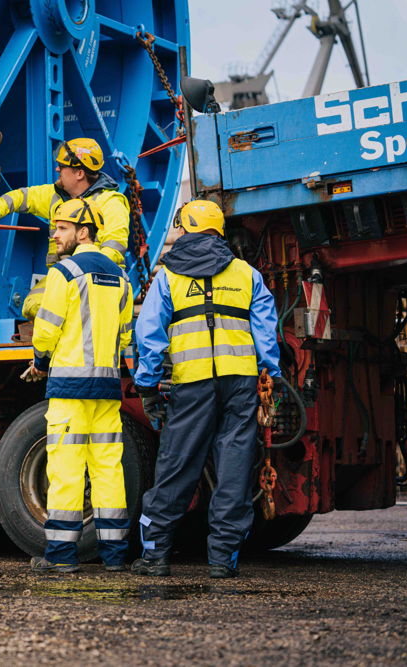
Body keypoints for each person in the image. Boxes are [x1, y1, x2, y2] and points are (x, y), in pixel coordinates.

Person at [131, 200, 280, 578]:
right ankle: (222, 560)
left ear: (187, 228)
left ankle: (156, 555)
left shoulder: (167, 277)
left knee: (177, 467)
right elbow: (265, 332)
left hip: (191, 386)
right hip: (240, 384)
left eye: (179, 227)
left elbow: (148, 335)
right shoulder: (247, 274)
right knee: (234, 469)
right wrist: (269, 373)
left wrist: (147, 385)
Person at [22, 198, 134, 573]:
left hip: (70, 391)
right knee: (107, 471)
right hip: (106, 390)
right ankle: (116, 557)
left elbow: (46, 329)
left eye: (62, 228)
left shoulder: (64, 273)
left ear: (83, 232)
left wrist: (39, 362)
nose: (55, 235)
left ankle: (61, 557)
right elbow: (123, 336)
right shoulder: (121, 277)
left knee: (67, 472)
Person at [0, 138, 130, 318]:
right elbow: (21, 197)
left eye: (62, 166)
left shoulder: (111, 203)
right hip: (64, 276)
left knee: (67, 310)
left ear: (79, 173)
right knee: (33, 304)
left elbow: (114, 249)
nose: (57, 169)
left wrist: (80, 272)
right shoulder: (55, 195)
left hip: (99, 280)